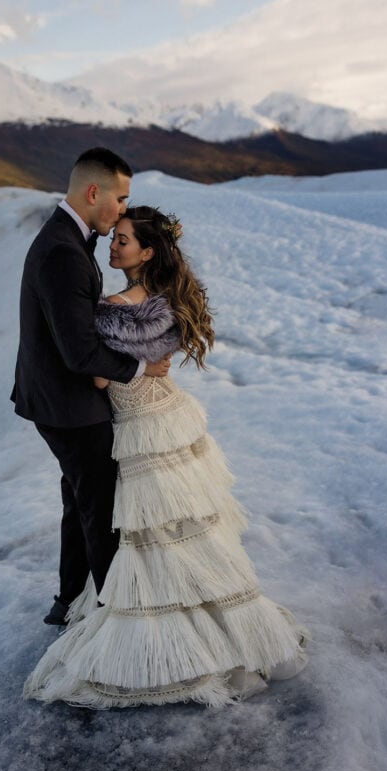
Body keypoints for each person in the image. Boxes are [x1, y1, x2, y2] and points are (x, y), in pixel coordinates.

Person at [24, 205, 309, 707]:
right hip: (171, 414)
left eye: (124, 241)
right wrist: (143, 364)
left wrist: (114, 362)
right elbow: (155, 360)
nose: (113, 246)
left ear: (148, 251)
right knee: (186, 529)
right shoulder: (168, 297)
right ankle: (233, 628)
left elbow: (96, 375)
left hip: (137, 425)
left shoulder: (114, 307)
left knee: (150, 533)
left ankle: (176, 635)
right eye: (114, 239)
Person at [12, 150, 170, 627]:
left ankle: (67, 601)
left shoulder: (68, 238)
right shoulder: (63, 250)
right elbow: (79, 353)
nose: (123, 209)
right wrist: (143, 370)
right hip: (69, 405)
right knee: (102, 510)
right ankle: (115, 621)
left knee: (79, 499)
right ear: (93, 192)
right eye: (120, 198)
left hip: (59, 399)